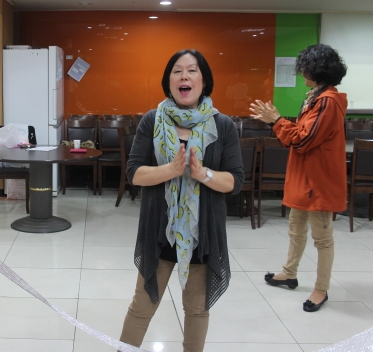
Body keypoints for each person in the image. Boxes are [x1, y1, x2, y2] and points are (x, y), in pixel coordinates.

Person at [119, 49, 244, 352]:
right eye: (177, 70)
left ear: (204, 81)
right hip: (159, 231)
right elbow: (134, 173)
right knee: (142, 306)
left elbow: (235, 181)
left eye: (192, 70)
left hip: (203, 233)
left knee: (197, 309)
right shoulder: (152, 120)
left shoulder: (223, 125)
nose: (184, 76)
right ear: (169, 81)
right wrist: (170, 170)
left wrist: (203, 174)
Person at [250, 43, 348, 312]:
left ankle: (321, 289)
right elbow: (302, 135)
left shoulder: (328, 101)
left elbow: (303, 140)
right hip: (305, 179)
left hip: (318, 182)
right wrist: (278, 122)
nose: (301, 71)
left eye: (304, 67)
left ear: (316, 69)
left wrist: (276, 120)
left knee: (322, 238)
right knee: (296, 228)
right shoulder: (317, 97)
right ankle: (289, 273)